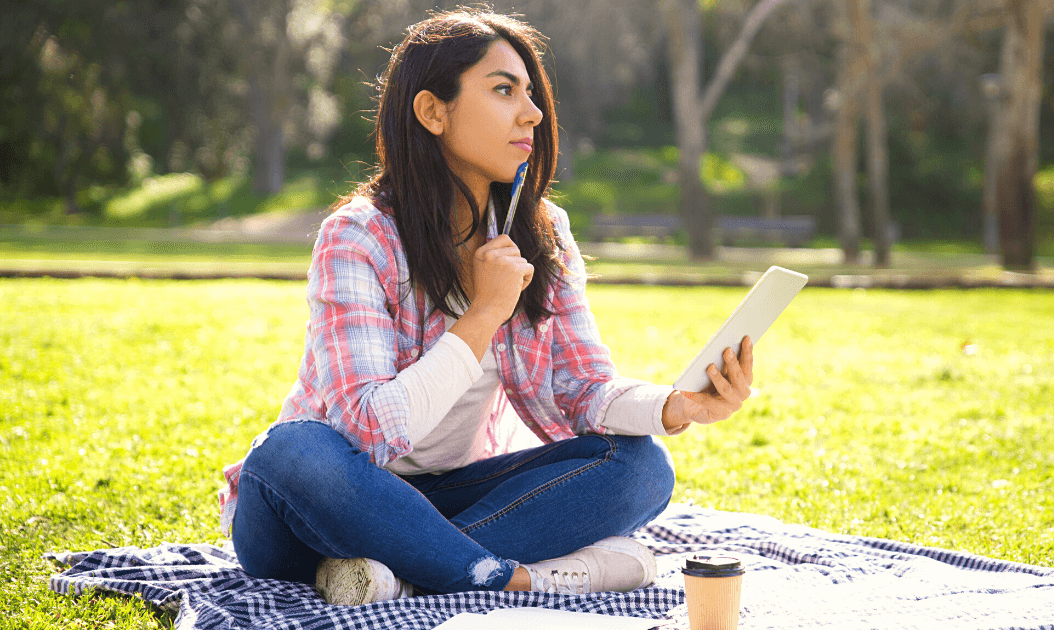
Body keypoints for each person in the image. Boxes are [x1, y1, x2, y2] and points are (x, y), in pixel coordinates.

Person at [216, 7, 754, 605]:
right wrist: (482, 315)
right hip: (324, 505)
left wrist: (678, 406)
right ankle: (512, 577)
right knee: (292, 450)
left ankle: (406, 573)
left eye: (531, 93)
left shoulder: (543, 232)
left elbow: (581, 387)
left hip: (450, 495)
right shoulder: (358, 235)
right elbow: (364, 433)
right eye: (504, 90)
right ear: (432, 111)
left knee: (642, 466)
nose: (533, 112)